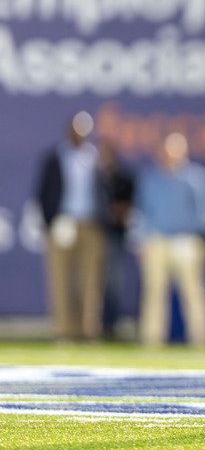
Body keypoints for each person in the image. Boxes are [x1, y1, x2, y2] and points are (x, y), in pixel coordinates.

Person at [134, 132, 205, 348]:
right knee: (154, 293)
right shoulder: (151, 178)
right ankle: (151, 341)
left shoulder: (195, 177)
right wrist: (142, 240)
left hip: (187, 242)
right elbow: (142, 212)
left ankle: (201, 340)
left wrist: (192, 235)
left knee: (193, 293)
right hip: (158, 240)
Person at [34, 111, 107, 343]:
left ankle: (88, 330)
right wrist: (52, 222)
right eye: (76, 129)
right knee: (60, 280)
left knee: (90, 281)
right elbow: (42, 193)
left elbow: (104, 193)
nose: (79, 134)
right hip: (62, 225)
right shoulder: (54, 158)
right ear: (68, 131)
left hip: (90, 225)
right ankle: (65, 331)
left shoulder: (95, 158)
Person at [96, 139, 134, 340]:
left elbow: (128, 210)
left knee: (115, 283)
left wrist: (116, 213)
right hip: (96, 235)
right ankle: (95, 325)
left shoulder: (124, 180)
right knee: (94, 283)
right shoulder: (94, 179)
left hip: (116, 236)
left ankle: (110, 325)